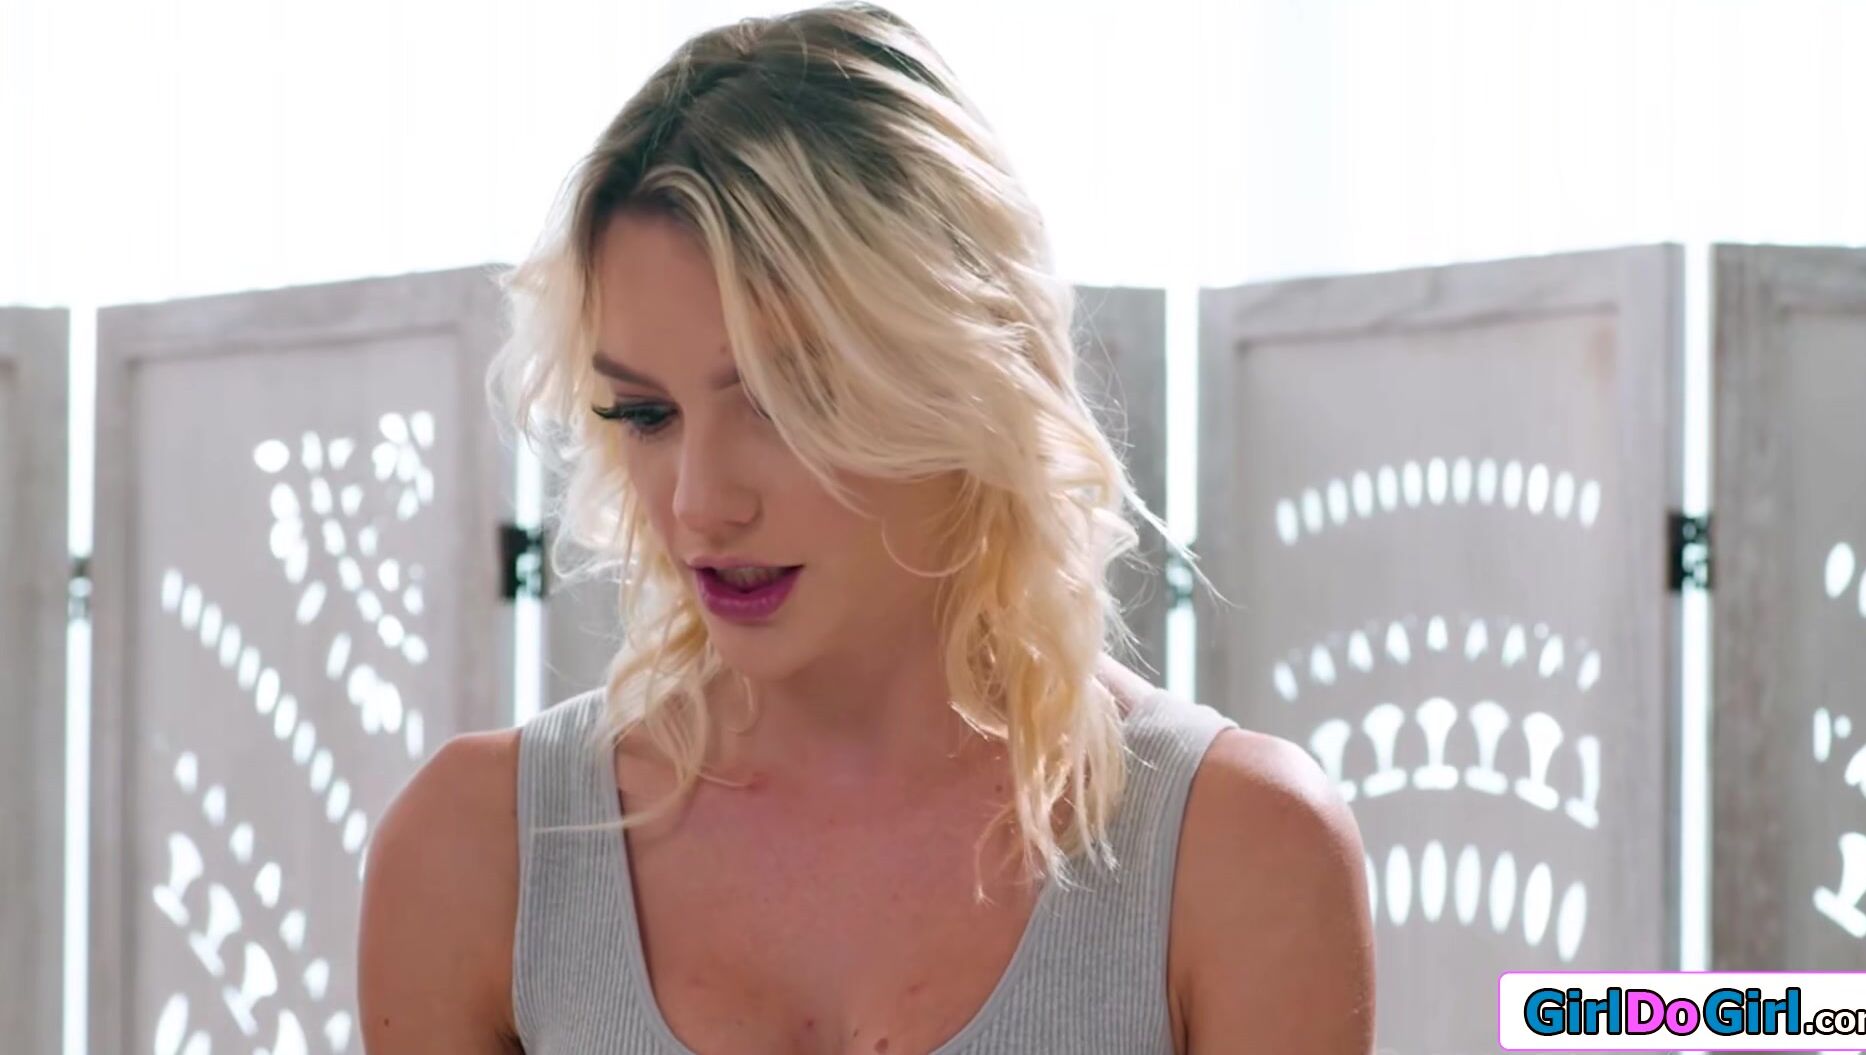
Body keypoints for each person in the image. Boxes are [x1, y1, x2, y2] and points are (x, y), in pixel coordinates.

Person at [356, 3, 1374, 1051]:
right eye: (645, 414)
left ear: (964, 380)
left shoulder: (1236, 855)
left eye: (783, 403)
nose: (700, 501)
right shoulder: (477, 856)